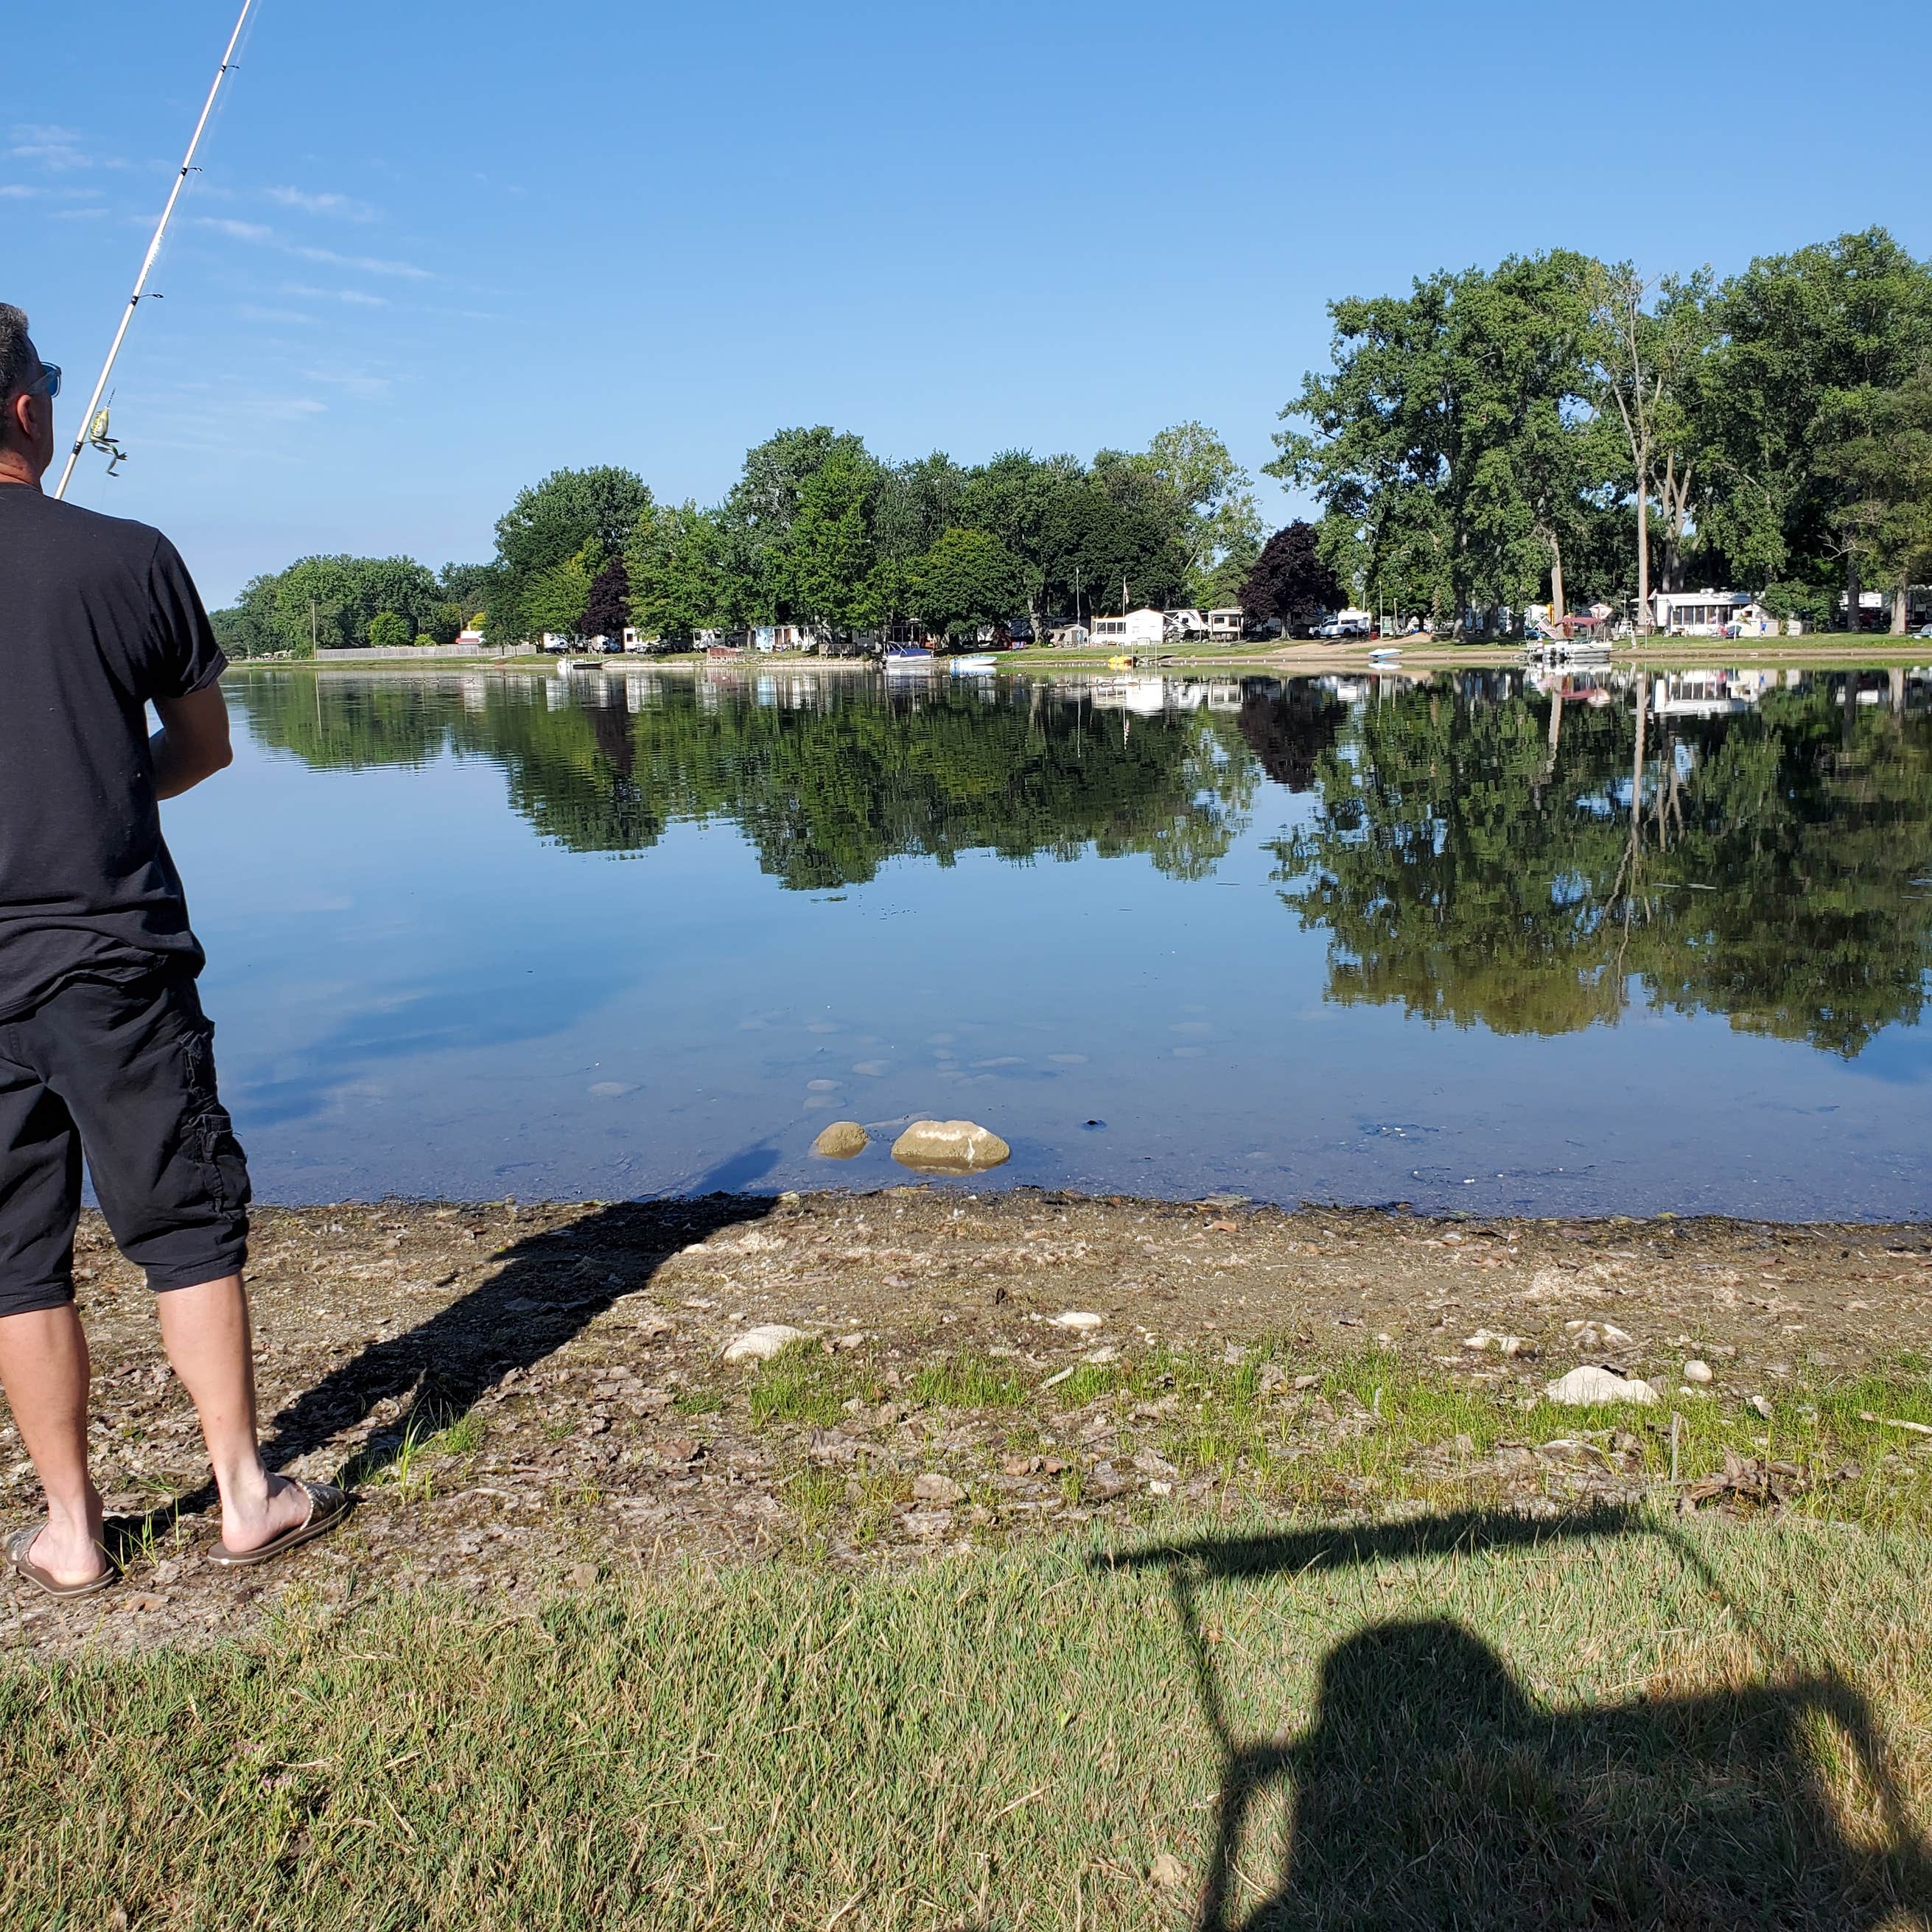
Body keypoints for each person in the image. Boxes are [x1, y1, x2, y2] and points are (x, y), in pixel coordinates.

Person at [0, 302, 346, 1598]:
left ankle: (73, 1531)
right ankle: (245, 1495)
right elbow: (203, 747)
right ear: (31, 408)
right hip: (114, 955)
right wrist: (103, 787)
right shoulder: (131, 555)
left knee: (11, 1253)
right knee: (185, 1223)